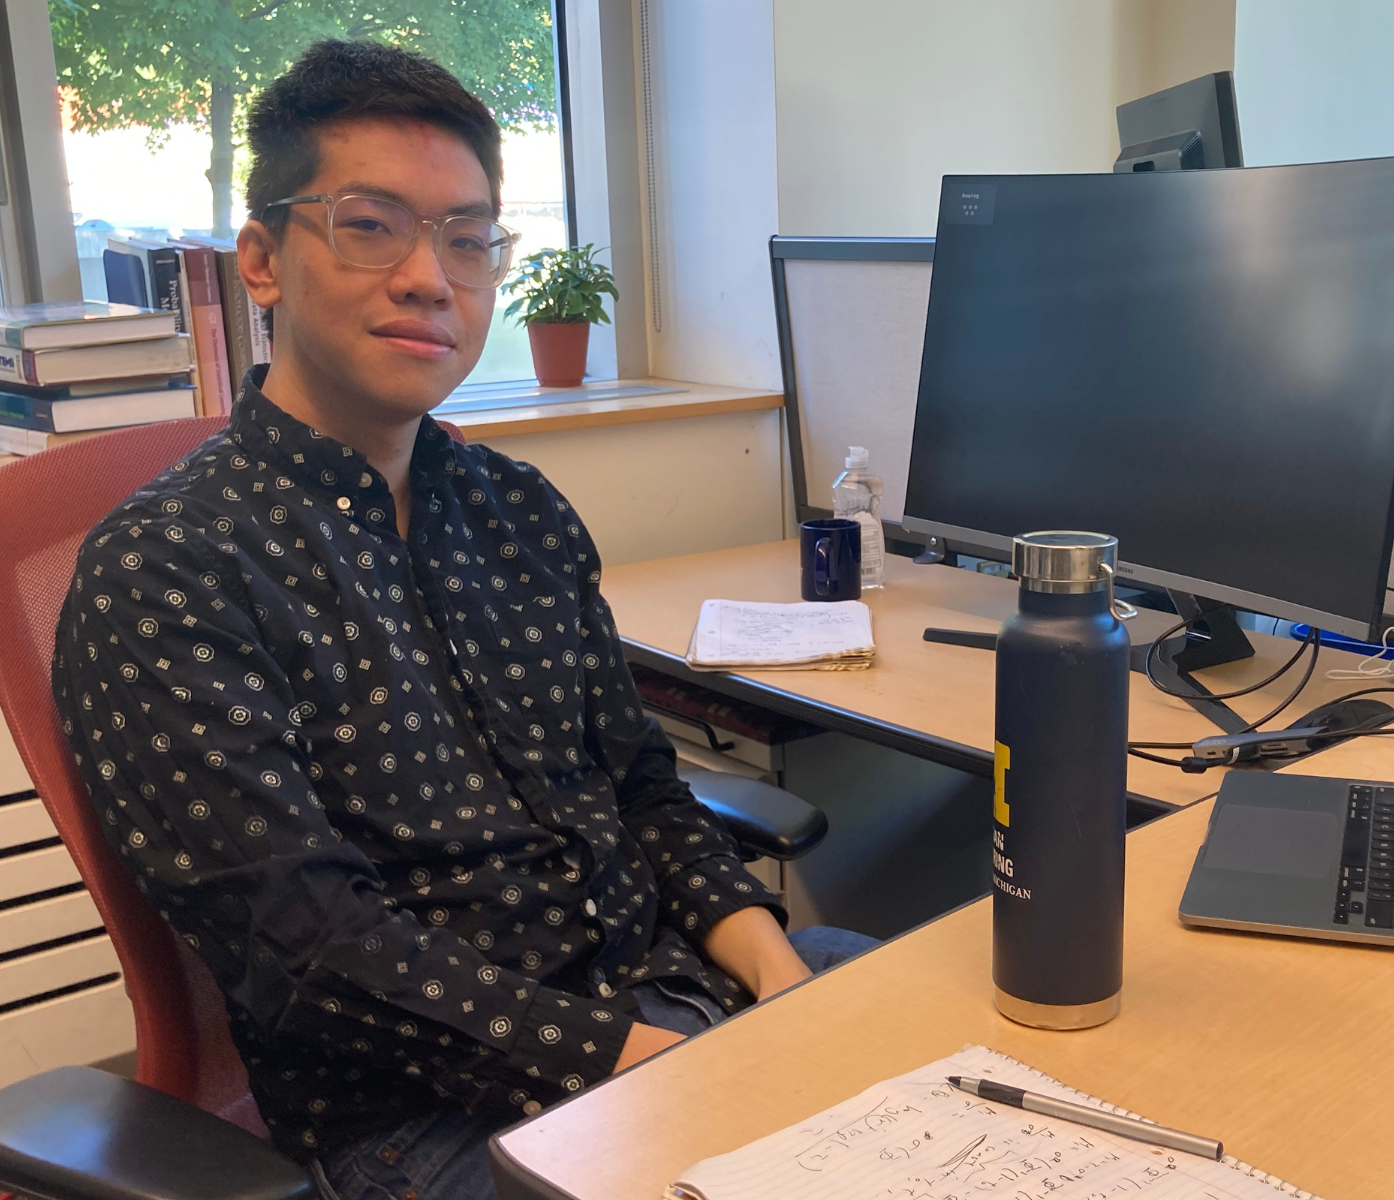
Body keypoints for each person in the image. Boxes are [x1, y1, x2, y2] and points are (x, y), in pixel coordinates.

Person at [52, 39, 872, 1200]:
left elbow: (643, 788)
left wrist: (781, 986)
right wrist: (675, 1071)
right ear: (263, 261)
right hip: (430, 1120)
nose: (432, 278)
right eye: (371, 224)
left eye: (469, 237)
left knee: (1012, 1049)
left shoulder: (515, 508)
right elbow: (313, 950)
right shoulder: (170, 568)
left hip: (683, 999)